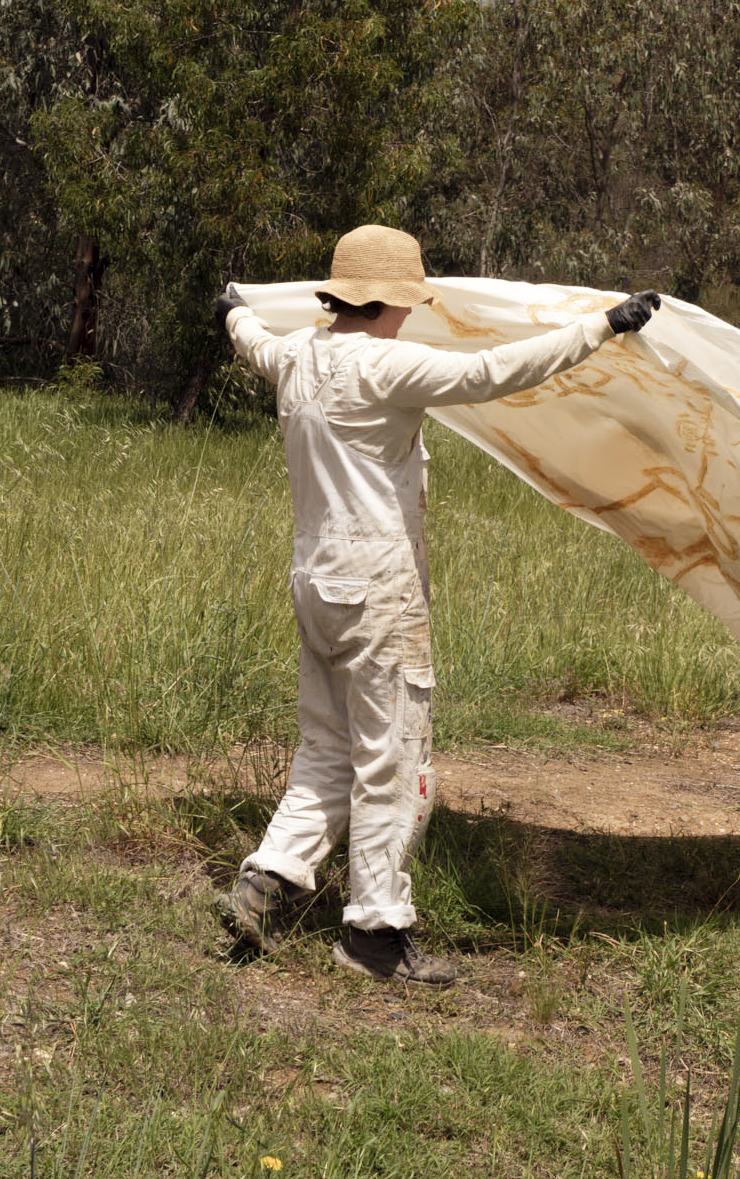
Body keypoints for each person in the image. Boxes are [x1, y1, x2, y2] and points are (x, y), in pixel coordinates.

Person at [213, 224, 660, 983]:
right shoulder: (387, 366)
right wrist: (600, 327)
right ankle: (375, 935)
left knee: (327, 748)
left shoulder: (295, 355)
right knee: (395, 761)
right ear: (390, 300)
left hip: (315, 586)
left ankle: (268, 883)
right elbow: (495, 371)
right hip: (376, 594)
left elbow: (250, 334)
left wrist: (230, 311)